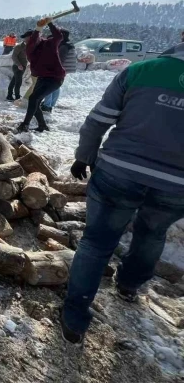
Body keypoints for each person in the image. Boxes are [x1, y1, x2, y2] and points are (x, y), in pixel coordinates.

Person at [61, 43, 184, 345]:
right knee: (153, 233)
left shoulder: (140, 71)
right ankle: (129, 284)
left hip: (120, 171)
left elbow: (98, 119)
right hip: (176, 184)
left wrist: (84, 155)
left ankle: (74, 319)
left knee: (97, 241)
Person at [17, 18, 65, 133]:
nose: (26, 41)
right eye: (25, 39)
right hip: (42, 77)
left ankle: (25, 124)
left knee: (33, 98)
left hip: (55, 78)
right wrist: (38, 29)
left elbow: (59, 37)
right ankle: (42, 125)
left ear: (39, 37)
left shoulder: (49, 43)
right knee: (35, 101)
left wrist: (50, 24)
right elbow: (33, 42)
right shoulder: (30, 49)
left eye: (28, 38)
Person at [42, 29, 77, 112]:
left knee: (49, 86)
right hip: (64, 70)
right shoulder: (69, 45)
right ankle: (51, 104)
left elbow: (59, 60)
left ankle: (46, 105)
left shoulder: (63, 46)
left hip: (59, 69)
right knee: (55, 87)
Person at [7, 31, 32, 101]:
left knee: (13, 81)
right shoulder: (19, 46)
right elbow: (14, 56)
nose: (29, 40)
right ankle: (17, 97)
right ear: (25, 39)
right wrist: (19, 65)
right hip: (17, 67)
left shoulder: (29, 46)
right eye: (28, 38)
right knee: (18, 82)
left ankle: (9, 95)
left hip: (23, 66)